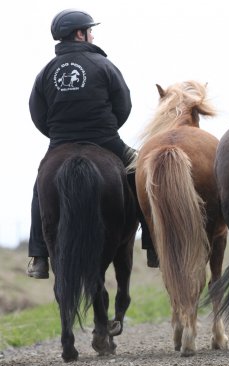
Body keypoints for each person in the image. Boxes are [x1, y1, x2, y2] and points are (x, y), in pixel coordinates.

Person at [27, 9, 157, 279]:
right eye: (89, 30)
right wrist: (106, 129)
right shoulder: (104, 65)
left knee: (41, 185)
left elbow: (37, 113)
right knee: (140, 170)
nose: (92, 34)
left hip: (60, 142)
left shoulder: (45, 72)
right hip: (105, 139)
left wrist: (58, 135)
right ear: (79, 33)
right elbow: (124, 105)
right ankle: (152, 243)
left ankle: (39, 256)